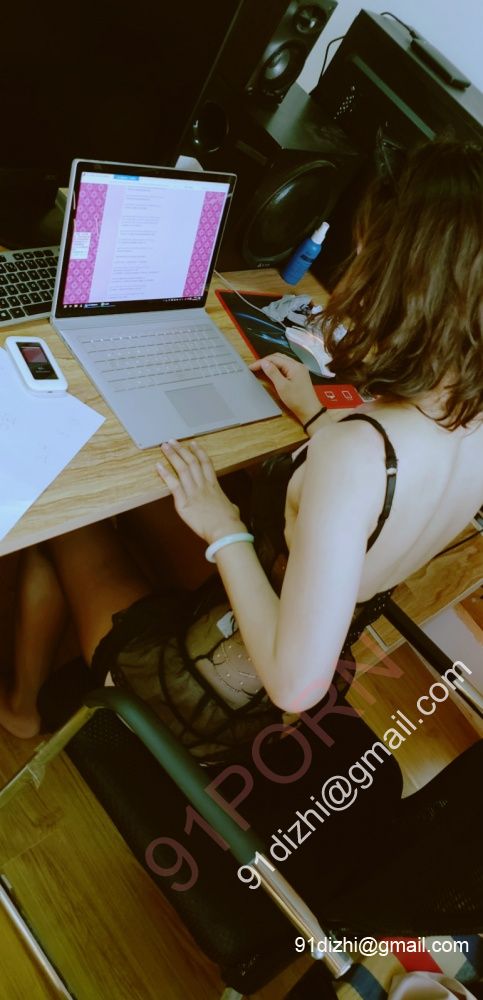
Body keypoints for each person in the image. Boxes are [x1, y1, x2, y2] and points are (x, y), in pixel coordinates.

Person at [1, 137, 483, 759]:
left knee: (62, 516)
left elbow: (296, 687)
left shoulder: (357, 456)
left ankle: (21, 710)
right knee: (159, 483)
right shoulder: (463, 417)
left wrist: (224, 527)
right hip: (286, 622)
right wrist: (316, 413)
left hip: (210, 689)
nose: (353, 275)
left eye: (367, 260)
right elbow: (377, 505)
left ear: (409, 287)